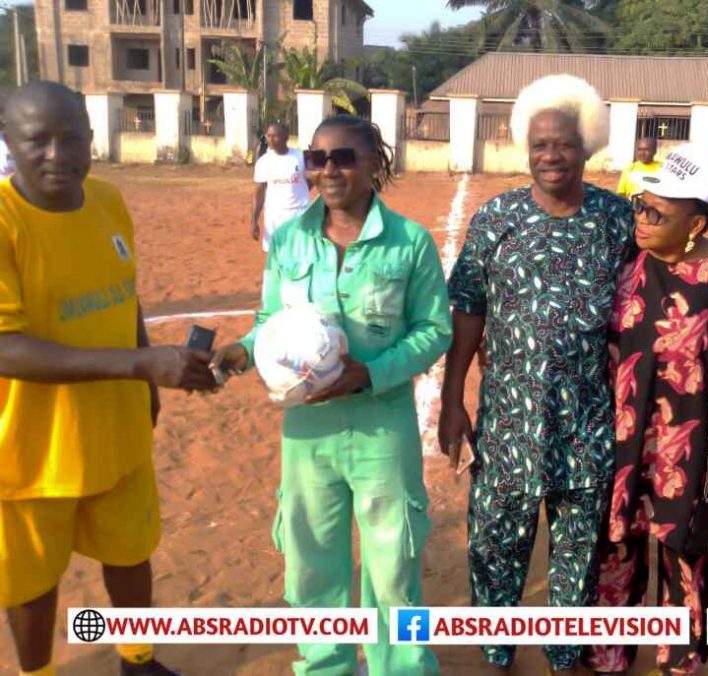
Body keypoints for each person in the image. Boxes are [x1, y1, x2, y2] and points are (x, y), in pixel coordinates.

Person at [441, 74, 708, 675]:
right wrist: (455, 398)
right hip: (511, 419)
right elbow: (469, 312)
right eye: (539, 145)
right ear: (525, 150)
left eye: (563, 144)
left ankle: (565, 653)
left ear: (586, 148)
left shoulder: (618, 218)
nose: (551, 155)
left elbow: (678, 248)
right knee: (495, 544)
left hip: (592, 425)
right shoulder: (496, 218)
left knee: (577, 553)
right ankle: (496, 648)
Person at [212, 114, 451, 676]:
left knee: (395, 565)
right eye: (317, 159)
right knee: (314, 563)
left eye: (344, 157)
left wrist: (370, 372)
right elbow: (271, 321)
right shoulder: (291, 239)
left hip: (380, 427)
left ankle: (403, 667)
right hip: (308, 432)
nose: (328, 170)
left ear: (375, 163)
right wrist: (242, 353)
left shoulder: (409, 242)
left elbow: (434, 330)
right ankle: (327, 667)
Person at [0, 81, 219, 676]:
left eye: (71, 138)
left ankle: (137, 657)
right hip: (31, 451)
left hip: (117, 430)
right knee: (32, 580)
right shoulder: (3, 222)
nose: (56, 154)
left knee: (131, 552)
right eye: (36, 140)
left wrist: (146, 382)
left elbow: (127, 299)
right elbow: (5, 348)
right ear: (8, 143)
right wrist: (140, 365)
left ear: (92, 140)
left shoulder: (107, 200)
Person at [588, 146, 708, 676]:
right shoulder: (623, 254)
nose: (641, 218)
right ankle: (609, 655)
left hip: (684, 445)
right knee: (615, 550)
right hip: (619, 438)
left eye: (656, 213)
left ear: (694, 222)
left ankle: (679, 660)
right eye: (640, 205)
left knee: (685, 557)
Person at [251, 122, 311, 252]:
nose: (271, 140)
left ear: (286, 137)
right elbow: (259, 192)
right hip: (274, 216)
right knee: (275, 254)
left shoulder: (300, 158)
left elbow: (310, 181)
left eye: (275, 136)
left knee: (300, 252)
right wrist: (254, 220)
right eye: (269, 136)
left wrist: (299, 195)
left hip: (299, 214)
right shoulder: (263, 162)